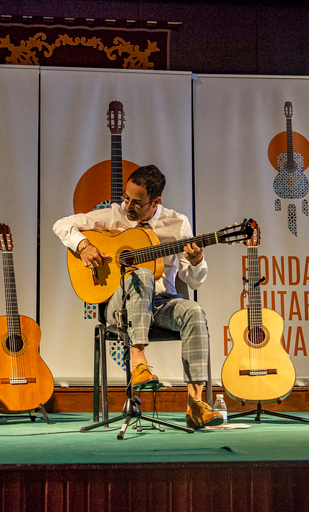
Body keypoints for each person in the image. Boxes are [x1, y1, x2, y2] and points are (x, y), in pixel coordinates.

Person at [53, 164, 222, 429]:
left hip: (162, 304)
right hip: (119, 305)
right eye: (126, 198)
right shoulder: (113, 216)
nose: (128, 207)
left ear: (156, 202)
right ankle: (139, 363)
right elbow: (61, 224)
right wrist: (84, 246)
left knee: (194, 312)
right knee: (142, 275)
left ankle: (195, 404)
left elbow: (193, 279)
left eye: (137, 203)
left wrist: (198, 261)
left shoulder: (177, 223)